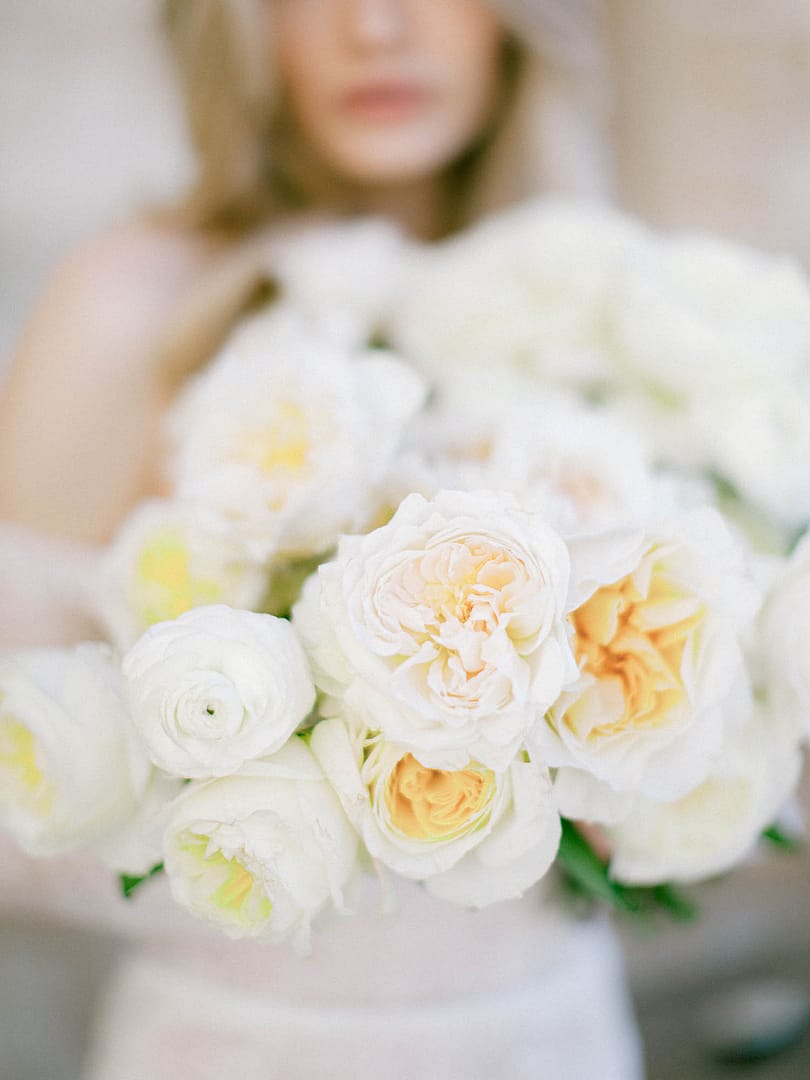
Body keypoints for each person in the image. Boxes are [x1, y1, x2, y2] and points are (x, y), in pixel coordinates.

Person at [0, 3, 643, 1077]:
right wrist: (309, 801)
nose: (376, 27)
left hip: (556, 1033)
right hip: (253, 1047)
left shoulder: (616, 304)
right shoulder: (130, 307)